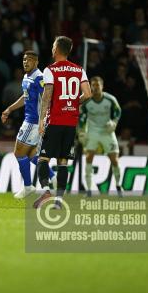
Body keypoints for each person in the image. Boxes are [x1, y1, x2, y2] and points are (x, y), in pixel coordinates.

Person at [33, 36, 92, 209]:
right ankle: (59, 201)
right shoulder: (79, 70)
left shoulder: (50, 70)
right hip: (70, 123)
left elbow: (47, 96)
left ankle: (45, 191)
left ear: (57, 49)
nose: (51, 49)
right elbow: (87, 94)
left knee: (43, 158)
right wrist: (73, 104)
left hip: (55, 120)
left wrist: (42, 119)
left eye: (53, 46)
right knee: (63, 162)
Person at [1, 51, 55, 199]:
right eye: (24, 59)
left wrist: (44, 120)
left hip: (34, 121)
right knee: (31, 155)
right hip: (31, 120)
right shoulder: (26, 77)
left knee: (18, 152)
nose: (26, 62)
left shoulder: (39, 78)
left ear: (36, 62)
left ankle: (28, 186)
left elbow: (48, 98)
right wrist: (9, 109)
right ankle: (53, 177)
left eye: (29, 60)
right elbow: (26, 98)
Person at [79, 76, 122, 197]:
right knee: (88, 158)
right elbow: (81, 117)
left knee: (115, 159)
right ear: (91, 87)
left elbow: (118, 111)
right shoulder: (87, 101)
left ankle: (118, 186)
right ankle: (89, 190)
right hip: (92, 131)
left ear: (102, 86)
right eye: (93, 85)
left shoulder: (110, 99)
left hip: (107, 131)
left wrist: (114, 122)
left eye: (98, 85)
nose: (95, 87)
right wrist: (81, 132)